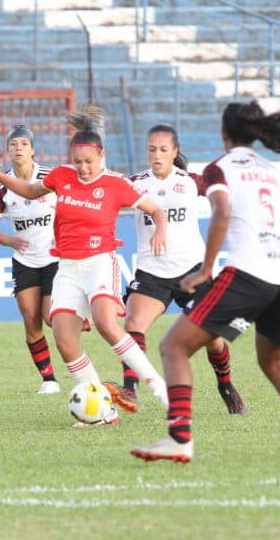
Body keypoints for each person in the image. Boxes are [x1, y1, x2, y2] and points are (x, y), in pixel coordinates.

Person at [131, 100, 280, 462]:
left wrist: (206, 270)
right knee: (274, 361)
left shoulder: (218, 169)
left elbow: (222, 212)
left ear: (224, 133)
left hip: (247, 274)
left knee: (174, 346)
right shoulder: (273, 172)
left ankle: (179, 438)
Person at [0, 105, 170, 418]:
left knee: (106, 323)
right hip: (67, 268)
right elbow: (29, 190)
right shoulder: (61, 176)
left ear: (101, 156)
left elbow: (156, 210)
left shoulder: (116, 183)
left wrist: (160, 231)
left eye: (88, 161)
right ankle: (102, 408)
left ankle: (160, 389)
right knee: (65, 340)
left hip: (99, 262)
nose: (82, 168)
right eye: (77, 161)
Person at [114, 124, 247, 416]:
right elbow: (102, 196)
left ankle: (226, 385)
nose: (157, 155)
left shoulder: (190, 182)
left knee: (213, 338)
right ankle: (130, 388)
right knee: (134, 324)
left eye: (163, 149)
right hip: (152, 272)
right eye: (151, 149)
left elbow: (233, 193)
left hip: (191, 271)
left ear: (174, 152)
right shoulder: (133, 183)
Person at [0, 124, 61, 395]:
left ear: (33, 150)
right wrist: (10, 241)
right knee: (31, 319)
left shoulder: (50, 178)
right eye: (14, 144)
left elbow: (72, 208)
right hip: (25, 261)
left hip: (54, 258)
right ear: (7, 150)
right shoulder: (2, 184)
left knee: (51, 317)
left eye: (24, 144)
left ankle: (79, 323)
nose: (19, 148)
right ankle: (49, 380)